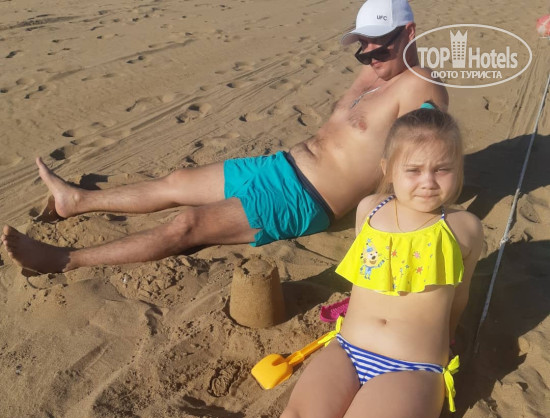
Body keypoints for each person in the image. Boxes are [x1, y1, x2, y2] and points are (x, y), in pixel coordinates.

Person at [1, 0, 448, 274]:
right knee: (177, 182)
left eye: (379, 44)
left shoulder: (419, 86)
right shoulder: (377, 68)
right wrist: (376, 57)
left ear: (409, 33)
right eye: (362, 45)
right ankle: (76, 201)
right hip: (280, 166)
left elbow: (426, 162)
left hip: (305, 199)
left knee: (187, 225)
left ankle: (63, 260)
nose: (369, 55)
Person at [222, 106, 484, 418]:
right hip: (347, 349)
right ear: (388, 169)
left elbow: (458, 299)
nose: (428, 181)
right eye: (413, 169)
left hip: (412, 370)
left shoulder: (463, 229)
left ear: (458, 170)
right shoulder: (370, 209)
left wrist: (447, 346)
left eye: (443, 169)